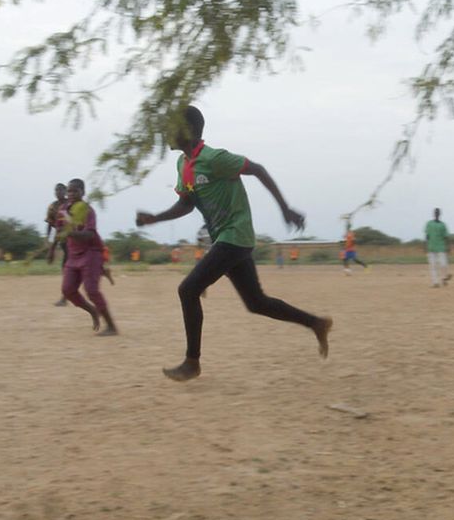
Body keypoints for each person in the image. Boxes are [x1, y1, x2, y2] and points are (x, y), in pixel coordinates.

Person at [135, 105, 332, 382]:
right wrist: (155, 218)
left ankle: (192, 362)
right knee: (256, 302)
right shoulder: (183, 165)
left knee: (188, 290)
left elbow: (258, 170)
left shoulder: (215, 158)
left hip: (235, 235)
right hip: (226, 239)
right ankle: (316, 323)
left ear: (188, 131)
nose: (166, 132)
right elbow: (186, 203)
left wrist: (285, 208)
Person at [48, 178, 118, 336]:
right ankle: (93, 311)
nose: (71, 194)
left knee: (92, 290)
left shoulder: (87, 210)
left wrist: (70, 233)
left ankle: (112, 326)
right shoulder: (62, 211)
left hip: (91, 252)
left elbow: (89, 234)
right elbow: (58, 233)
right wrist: (52, 249)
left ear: (83, 192)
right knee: (68, 290)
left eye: (75, 191)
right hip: (73, 254)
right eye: (69, 191)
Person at [45, 183, 69, 306]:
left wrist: (52, 248)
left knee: (68, 269)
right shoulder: (53, 207)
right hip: (63, 240)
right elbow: (50, 223)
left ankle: (66, 297)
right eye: (56, 190)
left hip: (73, 240)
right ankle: (65, 296)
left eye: (61, 190)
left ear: (65, 191)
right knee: (67, 269)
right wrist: (47, 240)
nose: (58, 192)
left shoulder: (70, 204)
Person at [425, 208, 451, 287]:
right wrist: (426, 246)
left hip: (441, 247)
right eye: (435, 212)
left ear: (439, 214)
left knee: (444, 264)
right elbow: (427, 236)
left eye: (438, 213)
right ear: (433, 214)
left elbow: (446, 237)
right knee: (433, 266)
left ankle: (444, 277)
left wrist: (448, 246)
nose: (436, 214)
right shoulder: (429, 224)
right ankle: (435, 282)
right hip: (431, 247)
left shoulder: (443, 225)